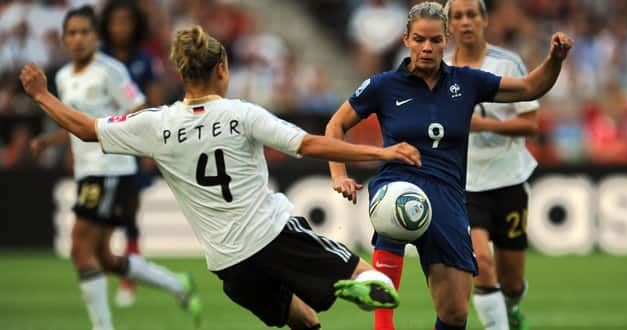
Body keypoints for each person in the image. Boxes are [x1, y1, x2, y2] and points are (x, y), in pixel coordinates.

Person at [20, 24, 423, 329]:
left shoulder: (157, 125)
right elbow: (309, 145)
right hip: (274, 235)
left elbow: (89, 129)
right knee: (372, 279)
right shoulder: (240, 114)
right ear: (222, 69)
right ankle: (357, 282)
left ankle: (345, 287)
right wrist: (381, 151)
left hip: (229, 265)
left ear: (182, 73)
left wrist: (42, 96)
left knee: (306, 323)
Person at [325, 2, 572, 330]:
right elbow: (335, 126)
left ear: (446, 40)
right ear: (406, 40)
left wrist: (555, 59)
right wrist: (339, 174)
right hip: (399, 179)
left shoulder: (467, 82)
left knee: (455, 312)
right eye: (419, 39)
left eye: (435, 40)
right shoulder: (383, 85)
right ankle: (383, 324)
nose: (427, 47)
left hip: (449, 196)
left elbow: (530, 87)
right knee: (397, 205)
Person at [28, 6, 202, 330]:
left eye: (85, 32)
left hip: (111, 167)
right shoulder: (65, 77)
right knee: (104, 257)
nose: (78, 39)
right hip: (87, 170)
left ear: (96, 37)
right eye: (72, 33)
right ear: (64, 38)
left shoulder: (111, 71)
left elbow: (137, 109)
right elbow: (78, 120)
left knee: (81, 249)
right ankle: (178, 283)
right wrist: (52, 142)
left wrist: (144, 149)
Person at [446, 1, 540, 329]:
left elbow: (531, 124)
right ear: (449, 26)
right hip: (465, 185)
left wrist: (485, 126)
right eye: (457, 16)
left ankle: (512, 311)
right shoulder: (440, 69)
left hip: (509, 179)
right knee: (481, 262)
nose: (466, 22)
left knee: (512, 283)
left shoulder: (507, 63)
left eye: (472, 14)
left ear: (484, 20)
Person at [98, 0, 160, 307]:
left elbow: (153, 102)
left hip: (133, 146)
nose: (121, 28)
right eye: (116, 22)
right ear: (107, 25)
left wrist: (150, 145)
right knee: (103, 215)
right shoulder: (99, 60)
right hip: (101, 144)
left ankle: (127, 277)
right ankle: (105, 270)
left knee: (129, 211)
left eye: (127, 22)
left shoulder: (144, 60)